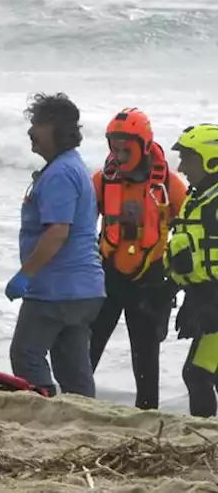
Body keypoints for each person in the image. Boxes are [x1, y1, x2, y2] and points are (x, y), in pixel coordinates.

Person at [7, 93, 104, 398]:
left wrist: (26, 274)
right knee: (73, 368)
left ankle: (43, 408)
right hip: (85, 290)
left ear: (57, 129)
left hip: (57, 289)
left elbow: (57, 232)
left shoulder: (61, 173)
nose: (31, 131)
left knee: (25, 354)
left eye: (37, 124)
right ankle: (84, 418)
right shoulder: (73, 166)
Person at [88, 108, 185, 410]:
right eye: (113, 147)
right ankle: (73, 402)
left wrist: (181, 280)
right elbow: (78, 228)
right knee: (86, 349)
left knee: (146, 358)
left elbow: (193, 232)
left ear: (144, 145)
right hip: (107, 277)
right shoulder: (101, 182)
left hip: (151, 283)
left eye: (125, 148)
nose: (118, 155)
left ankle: (147, 414)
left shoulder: (170, 186)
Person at [164, 124, 218, 417]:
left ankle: (204, 440)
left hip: (215, 298)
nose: (181, 167)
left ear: (210, 159)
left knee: (196, 373)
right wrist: (169, 286)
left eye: (188, 158)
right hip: (202, 295)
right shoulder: (199, 197)